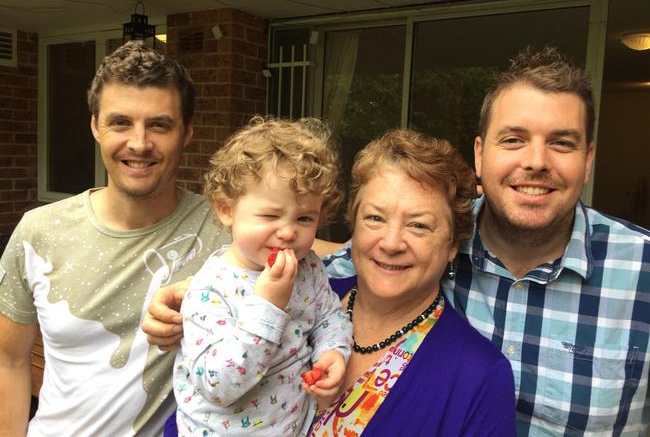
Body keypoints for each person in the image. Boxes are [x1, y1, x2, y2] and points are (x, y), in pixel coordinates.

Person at [326, 47, 650, 435]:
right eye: (513, 139)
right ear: (480, 155)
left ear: (588, 160)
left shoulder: (641, 272)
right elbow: (350, 260)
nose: (536, 162)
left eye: (561, 143)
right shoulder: (432, 234)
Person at [147, 130, 517, 436]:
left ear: (452, 245)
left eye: (419, 225)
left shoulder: (480, 377)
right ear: (352, 227)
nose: (391, 242)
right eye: (374, 218)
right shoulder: (303, 290)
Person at [0, 41, 230, 436]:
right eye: (120, 122)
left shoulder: (225, 231)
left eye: (160, 124)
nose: (139, 143)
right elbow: (9, 362)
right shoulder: (39, 231)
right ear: (95, 127)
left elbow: (324, 251)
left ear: (188, 132)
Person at [172, 117, 352, 436]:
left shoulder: (308, 266)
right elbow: (218, 385)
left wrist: (332, 352)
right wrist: (268, 307)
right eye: (270, 215)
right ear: (226, 209)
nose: (287, 232)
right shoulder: (210, 289)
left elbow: (329, 317)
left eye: (305, 218)